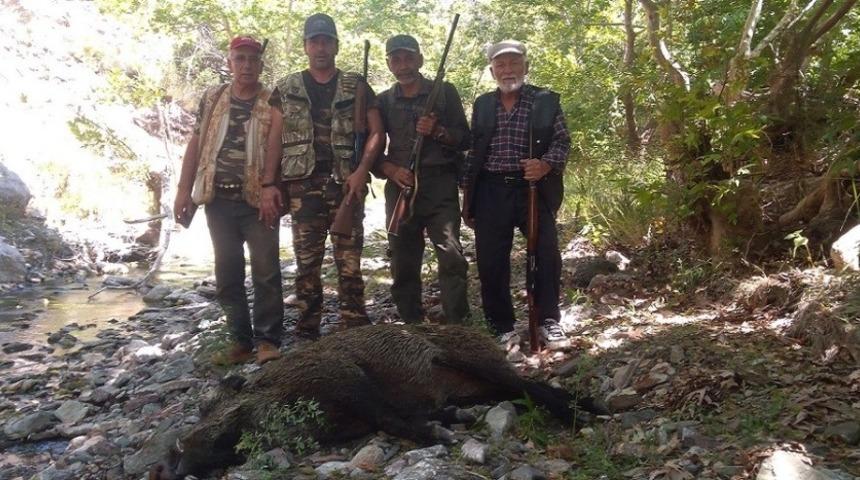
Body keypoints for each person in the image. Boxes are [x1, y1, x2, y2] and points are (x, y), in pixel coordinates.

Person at [264, 13, 383, 338]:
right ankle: (307, 332)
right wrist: (269, 184)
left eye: (326, 40)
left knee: (349, 264)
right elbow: (274, 138)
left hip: (347, 186)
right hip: (302, 191)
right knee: (306, 266)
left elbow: (377, 132)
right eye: (314, 41)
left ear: (336, 45)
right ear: (305, 46)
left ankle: (355, 328)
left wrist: (361, 172)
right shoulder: (286, 88)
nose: (320, 47)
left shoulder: (356, 85)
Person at [173, 36, 284, 365]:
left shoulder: (272, 100)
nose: (246, 65)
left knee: (266, 271)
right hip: (218, 200)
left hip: (257, 201)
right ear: (229, 62)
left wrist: (269, 186)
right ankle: (239, 340)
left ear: (261, 65)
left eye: (252, 59)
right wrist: (183, 189)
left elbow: (278, 144)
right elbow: (197, 142)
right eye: (240, 59)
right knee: (227, 272)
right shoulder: (213, 97)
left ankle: (267, 340)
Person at [461, 40, 571, 349]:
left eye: (514, 63)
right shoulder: (483, 104)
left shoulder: (545, 101)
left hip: (532, 189)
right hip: (490, 190)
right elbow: (474, 152)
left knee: (547, 252)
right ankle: (501, 327)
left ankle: (549, 321)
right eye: (501, 64)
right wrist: (467, 198)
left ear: (525, 66)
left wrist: (545, 164)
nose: (507, 70)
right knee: (491, 261)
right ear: (492, 70)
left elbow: (562, 141)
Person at [376, 35, 471, 324]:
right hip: (400, 187)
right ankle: (413, 326)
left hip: (439, 185)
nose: (403, 65)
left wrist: (438, 131)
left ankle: (459, 326)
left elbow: (465, 138)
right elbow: (371, 151)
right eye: (396, 59)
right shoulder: (381, 101)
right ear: (389, 63)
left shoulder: (444, 92)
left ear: (419, 59)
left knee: (451, 255)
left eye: (408, 58)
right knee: (403, 260)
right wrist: (392, 171)